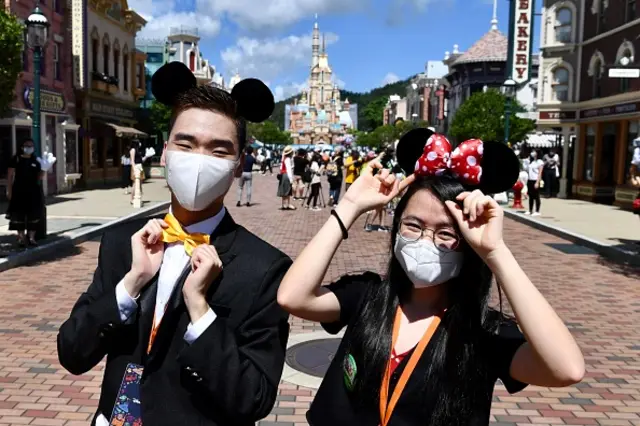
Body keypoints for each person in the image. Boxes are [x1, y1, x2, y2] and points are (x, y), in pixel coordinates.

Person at [278, 129, 584, 426]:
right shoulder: (367, 296)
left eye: (446, 233)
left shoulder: (484, 331)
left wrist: (496, 252)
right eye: (413, 225)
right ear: (396, 228)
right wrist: (350, 206)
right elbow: (293, 297)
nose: (426, 241)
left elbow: (566, 368)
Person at [57, 61, 291, 426]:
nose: (198, 160)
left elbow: (254, 398)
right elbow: (72, 352)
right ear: (166, 152)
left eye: (218, 150)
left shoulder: (263, 267)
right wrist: (129, 285)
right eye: (186, 144)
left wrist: (200, 310)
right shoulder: (122, 242)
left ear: (238, 163)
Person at [6, 138, 44, 247]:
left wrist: (44, 168)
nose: (29, 148)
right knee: (19, 215)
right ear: (22, 147)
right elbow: (10, 176)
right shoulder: (16, 159)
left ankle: (31, 238)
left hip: (33, 191)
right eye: (27, 146)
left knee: (33, 214)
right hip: (19, 191)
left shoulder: (36, 160)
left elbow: (39, 177)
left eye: (31, 146)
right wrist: (9, 190)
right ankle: (21, 238)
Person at [526, 150, 544, 216]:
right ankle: (530, 210)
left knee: (536, 196)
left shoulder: (540, 162)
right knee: (530, 196)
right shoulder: (532, 161)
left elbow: (540, 173)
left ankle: (537, 211)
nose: (533, 153)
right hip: (530, 180)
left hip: (535, 180)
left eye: (534, 152)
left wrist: (537, 182)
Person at [278, 146, 296, 210]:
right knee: (288, 190)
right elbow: (289, 169)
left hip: (283, 174)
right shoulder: (288, 159)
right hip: (286, 175)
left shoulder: (284, 158)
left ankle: (283, 204)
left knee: (283, 189)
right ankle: (288, 204)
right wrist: (291, 179)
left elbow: (280, 168)